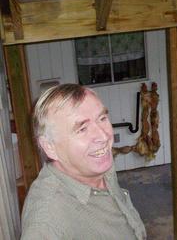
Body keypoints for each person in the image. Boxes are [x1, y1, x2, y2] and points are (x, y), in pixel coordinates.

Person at [21, 83, 146, 240]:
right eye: (82, 129)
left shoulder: (95, 165)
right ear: (50, 147)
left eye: (102, 118)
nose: (103, 136)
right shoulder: (46, 223)